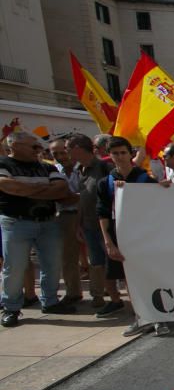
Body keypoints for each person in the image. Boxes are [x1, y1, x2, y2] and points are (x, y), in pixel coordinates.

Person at [0, 131, 74, 327]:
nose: (38, 150)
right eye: (33, 147)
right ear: (14, 146)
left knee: (52, 264)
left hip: (48, 222)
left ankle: (50, 301)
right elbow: (6, 186)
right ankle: (11, 308)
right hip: (16, 222)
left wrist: (25, 189)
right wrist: (44, 191)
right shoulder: (3, 165)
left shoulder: (46, 167)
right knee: (14, 267)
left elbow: (61, 189)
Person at [96, 136, 162, 336]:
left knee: (149, 276)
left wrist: (165, 188)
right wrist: (108, 241)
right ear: (110, 156)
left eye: (123, 152)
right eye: (115, 153)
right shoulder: (105, 182)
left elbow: (160, 205)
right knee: (127, 279)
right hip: (119, 235)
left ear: (131, 154)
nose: (120, 157)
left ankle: (157, 316)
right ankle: (140, 317)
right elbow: (103, 213)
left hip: (144, 235)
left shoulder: (145, 179)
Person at [65, 134, 114, 310]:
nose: (66, 152)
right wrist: (78, 224)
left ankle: (114, 296)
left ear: (78, 148)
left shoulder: (104, 167)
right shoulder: (80, 169)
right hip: (88, 225)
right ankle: (98, 296)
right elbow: (82, 199)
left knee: (111, 262)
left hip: (105, 225)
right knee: (95, 262)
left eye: (68, 148)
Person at [50, 138, 84, 305]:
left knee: (95, 256)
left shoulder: (84, 168)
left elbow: (88, 194)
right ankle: (73, 292)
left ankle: (102, 292)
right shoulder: (53, 170)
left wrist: (76, 197)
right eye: (54, 153)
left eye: (62, 152)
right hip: (65, 216)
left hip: (86, 215)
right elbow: (57, 195)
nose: (59, 156)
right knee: (68, 257)